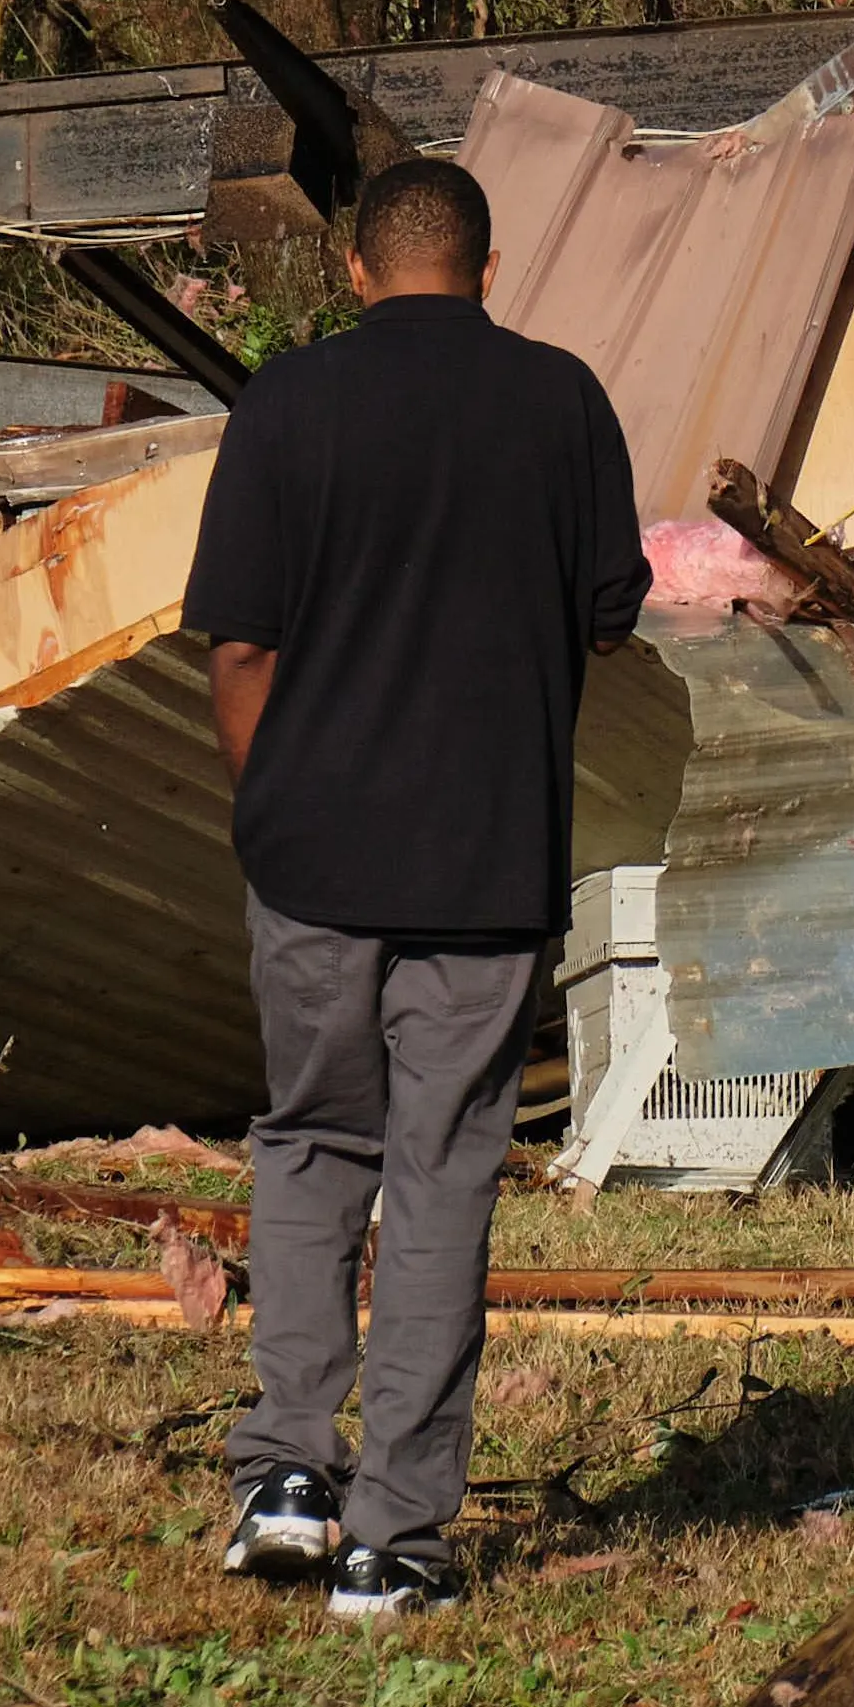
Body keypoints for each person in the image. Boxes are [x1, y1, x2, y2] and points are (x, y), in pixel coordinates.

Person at [185, 154, 643, 1621]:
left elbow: (239, 646)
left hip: (311, 856)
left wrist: (268, 806)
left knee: (312, 1144)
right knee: (442, 1174)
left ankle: (287, 1478)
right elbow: (610, 620)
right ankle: (396, 1543)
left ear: (358, 270)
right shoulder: (564, 401)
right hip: (486, 861)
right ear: (489, 267)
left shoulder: (285, 405)